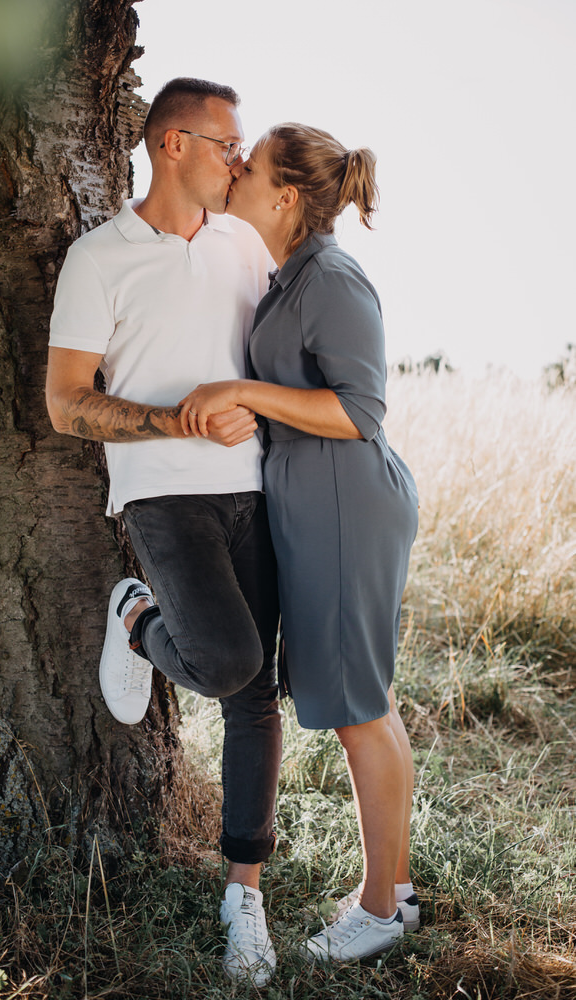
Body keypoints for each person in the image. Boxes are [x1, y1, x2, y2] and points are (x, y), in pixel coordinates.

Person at [45, 78, 281, 986]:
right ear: (172, 144)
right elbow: (67, 405)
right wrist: (177, 421)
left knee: (256, 696)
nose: (240, 159)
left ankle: (242, 898)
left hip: (258, 491)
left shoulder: (247, 246)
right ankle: (137, 615)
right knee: (226, 664)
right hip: (163, 496)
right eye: (227, 143)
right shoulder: (99, 258)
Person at [179, 123, 420, 965]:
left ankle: (380, 910)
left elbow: (359, 414)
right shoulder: (288, 276)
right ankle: (394, 891)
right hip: (319, 510)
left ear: (285, 197)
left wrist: (242, 389)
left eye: (252, 168)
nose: (236, 171)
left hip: (346, 511)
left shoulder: (331, 276)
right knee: (369, 703)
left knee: (358, 713)